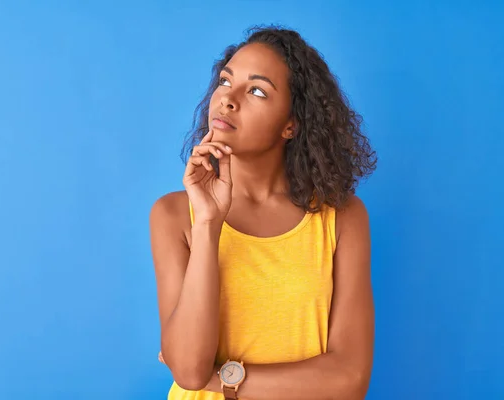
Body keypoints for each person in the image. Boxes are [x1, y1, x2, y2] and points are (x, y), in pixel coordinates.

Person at [149, 25, 377, 400]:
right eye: (226, 81)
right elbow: (189, 370)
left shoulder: (342, 217)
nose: (228, 99)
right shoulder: (174, 215)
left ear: (291, 124)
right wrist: (207, 223)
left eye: (257, 90)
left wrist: (222, 379)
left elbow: (349, 380)